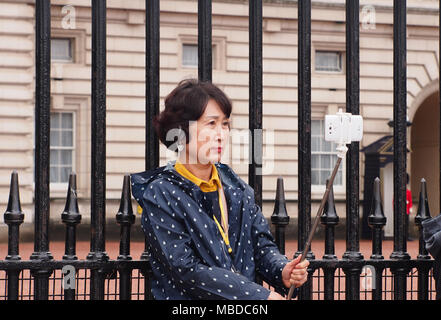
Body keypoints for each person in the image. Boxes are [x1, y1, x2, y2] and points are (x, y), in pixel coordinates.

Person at [131, 79, 309, 300]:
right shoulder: (160, 193)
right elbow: (186, 270)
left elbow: (261, 246)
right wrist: (259, 297)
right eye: (211, 123)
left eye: (225, 124)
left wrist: (282, 270)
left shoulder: (236, 187)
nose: (221, 134)